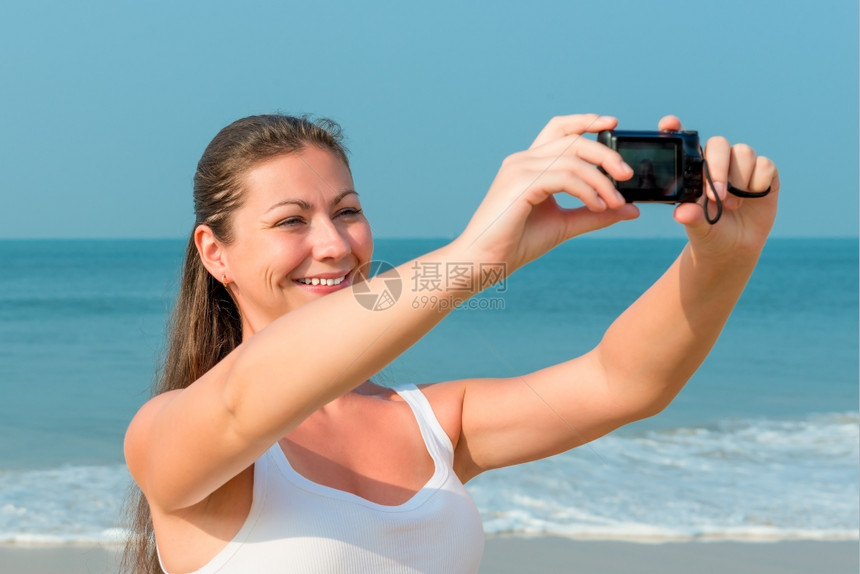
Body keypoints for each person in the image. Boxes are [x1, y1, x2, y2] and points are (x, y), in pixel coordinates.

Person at [122, 113, 779, 573]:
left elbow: (624, 382)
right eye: (291, 220)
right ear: (216, 254)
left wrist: (726, 257)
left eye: (347, 211)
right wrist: (474, 257)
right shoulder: (167, 437)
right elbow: (246, 399)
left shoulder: (430, 422)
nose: (334, 243)